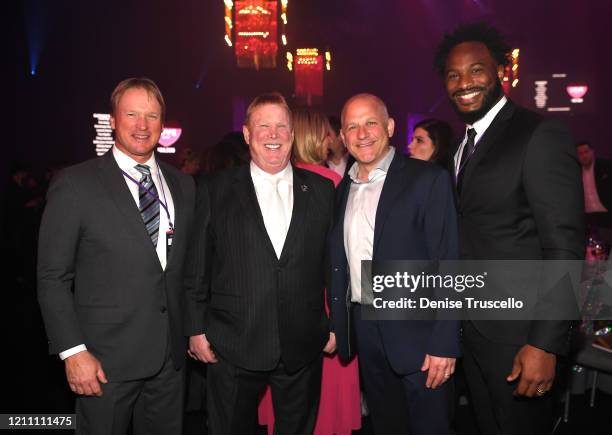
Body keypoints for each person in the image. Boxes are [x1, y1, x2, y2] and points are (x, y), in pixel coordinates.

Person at [434, 23, 584, 434]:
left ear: (501, 72)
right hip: (474, 327)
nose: (464, 82)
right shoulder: (463, 145)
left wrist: (545, 343)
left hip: (522, 335)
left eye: (476, 70)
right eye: (453, 74)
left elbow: (564, 247)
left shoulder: (539, 134)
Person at [37, 77, 195, 434]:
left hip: (168, 362)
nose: (142, 125)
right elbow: (52, 277)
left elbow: (181, 272)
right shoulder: (76, 184)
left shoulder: (184, 185)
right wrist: (73, 352)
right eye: (132, 114)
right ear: (112, 121)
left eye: (152, 116)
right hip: (103, 362)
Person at [186, 93, 336, 435]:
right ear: (247, 133)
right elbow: (198, 266)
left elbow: (334, 265)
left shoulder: (323, 190)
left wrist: (337, 323)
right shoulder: (213, 189)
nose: (273, 134)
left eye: (281, 126)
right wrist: (195, 328)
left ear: (293, 134)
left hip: (303, 343)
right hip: (233, 342)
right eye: (263, 126)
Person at [329, 93, 460, 435]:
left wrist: (444, 342)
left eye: (371, 122)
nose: (362, 133)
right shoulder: (343, 189)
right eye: (352, 126)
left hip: (419, 333)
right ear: (342, 138)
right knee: (386, 425)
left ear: (389, 127)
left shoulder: (427, 180)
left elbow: (449, 262)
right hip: (365, 327)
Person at [257, 108, 361, 435]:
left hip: (280, 315)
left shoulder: (273, 178)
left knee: (289, 407)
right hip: (326, 307)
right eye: (328, 130)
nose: (333, 137)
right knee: (322, 406)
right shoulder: (328, 182)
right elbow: (346, 254)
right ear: (315, 135)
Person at [576, 141, 612, 243]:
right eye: (580, 153)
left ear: (592, 152)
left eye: (586, 152)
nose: (583, 156)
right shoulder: (575, 172)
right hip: (587, 218)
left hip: (607, 213)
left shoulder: (607, 166)